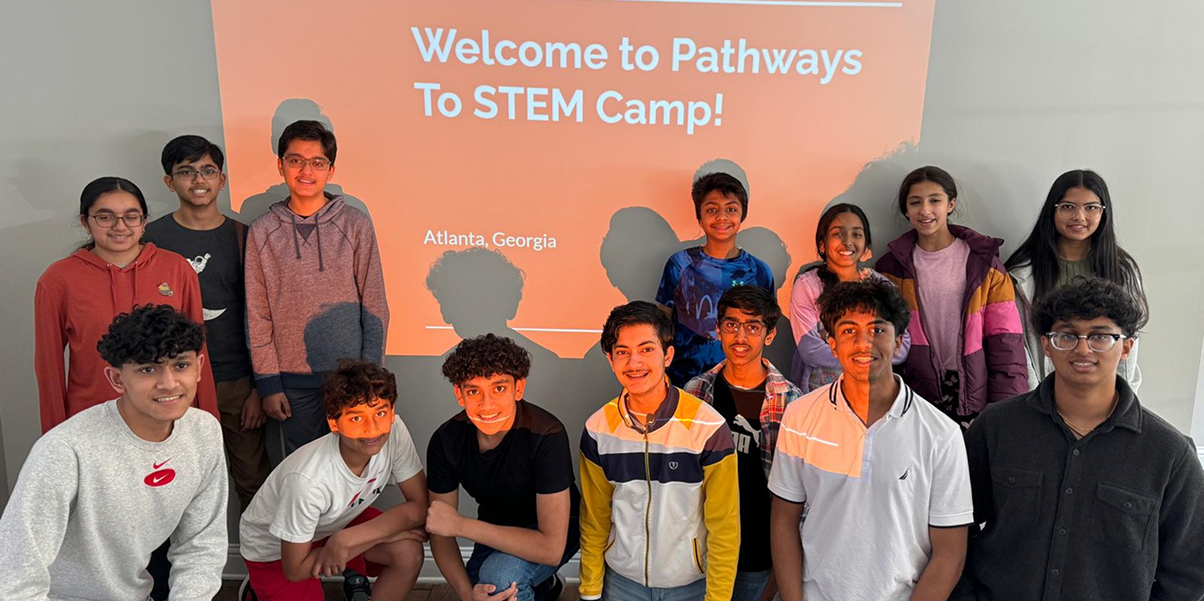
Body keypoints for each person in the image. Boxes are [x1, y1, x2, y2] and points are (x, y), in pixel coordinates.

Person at [953, 278, 1204, 600]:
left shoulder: (1169, 454)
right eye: (1067, 335)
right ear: (1046, 344)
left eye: (1100, 336)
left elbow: (1188, 572)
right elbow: (953, 524)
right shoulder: (997, 426)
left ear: (1126, 347)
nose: (1082, 348)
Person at [0, 305, 228, 600]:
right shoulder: (65, 450)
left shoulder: (204, 432)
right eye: (148, 369)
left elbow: (201, 545)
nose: (168, 383)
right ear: (117, 379)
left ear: (199, 367)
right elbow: (14, 577)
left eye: (180, 365)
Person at [769, 279, 973, 601]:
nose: (864, 343)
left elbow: (950, 553)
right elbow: (783, 520)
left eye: (877, 330)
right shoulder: (799, 416)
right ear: (832, 344)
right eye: (849, 330)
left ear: (899, 341)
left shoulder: (941, 434)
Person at [245, 119, 390, 455]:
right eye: (296, 160)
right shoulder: (262, 231)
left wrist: (370, 376)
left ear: (330, 169)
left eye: (317, 162)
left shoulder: (355, 223)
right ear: (281, 165)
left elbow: (374, 304)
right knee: (304, 468)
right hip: (291, 384)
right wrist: (268, 383)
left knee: (356, 462)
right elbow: (257, 312)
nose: (306, 170)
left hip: (352, 378)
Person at [579, 301, 740, 601]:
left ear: (668, 355)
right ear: (610, 360)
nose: (634, 362)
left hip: (690, 586)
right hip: (622, 585)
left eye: (646, 349)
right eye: (622, 352)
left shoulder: (707, 427)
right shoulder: (598, 429)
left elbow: (724, 525)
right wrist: (589, 592)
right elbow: (594, 520)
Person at [144, 134, 270, 511]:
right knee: (175, 484)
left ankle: (261, 552)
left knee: (253, 483)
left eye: (208, 171)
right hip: (171, 381)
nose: (198, 180)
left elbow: (262, 315)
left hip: (236, 381)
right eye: (186, 172)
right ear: (170, 182)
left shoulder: (245, 237)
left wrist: (259, 387)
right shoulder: (150, 239)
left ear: (222, 179)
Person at [34, 176, 217, 433]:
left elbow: (197, 351)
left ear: (144, 221)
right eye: (105, 217)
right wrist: (54, 436)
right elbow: (48, 366)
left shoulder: (176, 268)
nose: (120, 226)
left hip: (168, 416)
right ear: (85, 221)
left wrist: (206, 421)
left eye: (131, 216)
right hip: (93, 421)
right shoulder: (58, 279)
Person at [239, 360, 427, 601]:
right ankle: (256, 591)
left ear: (391, 413)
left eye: (380, 413)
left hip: (337, 523)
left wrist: (347, 540)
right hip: (278, 551)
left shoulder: (395, 432)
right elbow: (295, 569)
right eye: (356, 418)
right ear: (334, 423)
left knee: (408, 552)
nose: (372, 429)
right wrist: (376, 534)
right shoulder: (307, 481)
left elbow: (420, 506)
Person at [426, 334, 578, 601]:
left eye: (499, 389)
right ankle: (544, 586)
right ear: (459, 394)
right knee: (481, 592)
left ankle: (533, 581)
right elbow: (440, 528)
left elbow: (551, 548)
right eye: (474, 391)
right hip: (496, 529)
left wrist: (460, 525)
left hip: (556, 530)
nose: (487, 405)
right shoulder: (445, 441)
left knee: (498, 581)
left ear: (518, 388)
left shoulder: (546, 434)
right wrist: (467, 595)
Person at [875, 166, 1027, 423]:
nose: (925, 210)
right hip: (913, 394)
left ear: (950, 204)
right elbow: (884, 339)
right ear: (906, 210)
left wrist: (1008, 409)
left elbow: (1005, 341)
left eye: (935, 200)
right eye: (915, 202)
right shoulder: (890, 268)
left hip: (973, 393)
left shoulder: (984, 265)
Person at [684, 286, 803, 601]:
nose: (740, 336)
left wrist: (781, 569)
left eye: (752, 327)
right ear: (718, 329)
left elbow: (799, 492)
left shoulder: (791, 402)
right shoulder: (695, 393)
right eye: (731, 324)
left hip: (759, 551)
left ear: (770, 334)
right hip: (702, 547)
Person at [1005, 169, 1147, 391]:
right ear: (1053, 210)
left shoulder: (1122, 270)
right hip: (1043, 392)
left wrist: (1121, 401)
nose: (1079, 217)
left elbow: (1128, 343)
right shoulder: (1022, 274)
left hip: (1102, 394)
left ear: (1103, 212)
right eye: (1068, 207)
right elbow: (1017, 346)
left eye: (1091, 207)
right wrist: (1033, 401)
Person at [657, 172, 774, 387]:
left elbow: (764, 327)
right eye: (711, 210)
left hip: (738, 381)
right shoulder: (680, 264)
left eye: (731, 209)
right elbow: (662, 323)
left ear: (742, 214)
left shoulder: (759, 272)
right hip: (683, 379)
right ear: (699, 217)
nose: (721, 217)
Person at [789, 203, 909, 391]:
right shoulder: (808, 286)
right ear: (822, 244)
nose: (847, 242)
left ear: (866, 245)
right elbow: (810, 350)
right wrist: (869, 354)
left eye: (856, 234)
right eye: (838, 234)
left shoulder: (880, 285)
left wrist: (843, 347)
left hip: (872, 390)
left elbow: (902, 345)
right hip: (821, 392)